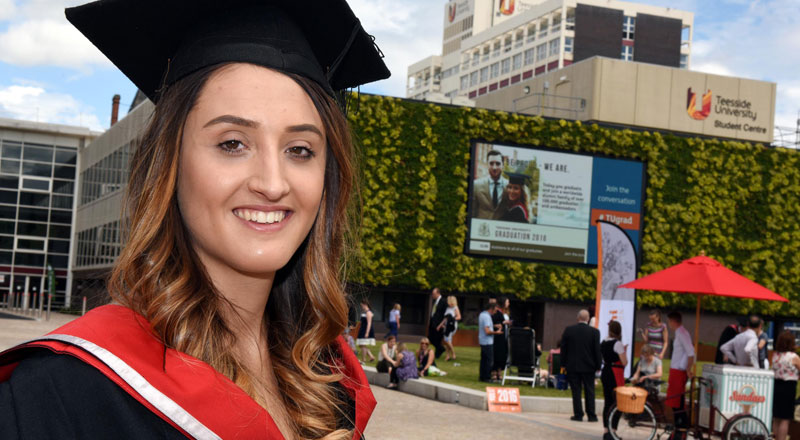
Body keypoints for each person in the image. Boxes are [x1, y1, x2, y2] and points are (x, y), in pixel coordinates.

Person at [0, 1, 390, 438]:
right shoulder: (61, 396)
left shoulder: (327, 377)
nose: (273, 183)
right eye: (232, 143)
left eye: (300, 149)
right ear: (169, 163)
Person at [560, 309, 602, 422]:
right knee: (590, 390)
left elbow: (563, 348)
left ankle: (578, 414)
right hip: (589, 366)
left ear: (578, 318)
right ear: (588, 319)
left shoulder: (569, 330)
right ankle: (591, 415)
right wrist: (598, 365)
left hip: (573, 366)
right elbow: (597, 351)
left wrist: (563, 364)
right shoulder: (595, 332)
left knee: (576, 391)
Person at [666, 311, 695, 438]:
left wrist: (688, 369)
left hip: (679, 371)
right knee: (675, 403)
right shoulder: (680, 333)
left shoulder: (682, 334)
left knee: (677, 403)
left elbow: (691, 353)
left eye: (669, 321)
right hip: (675, 371)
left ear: (673, 321)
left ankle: (681, 430)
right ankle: (679, 429)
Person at [771, 331, 800, 440]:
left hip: (776, 386)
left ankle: (775, 437)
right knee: (785, 418)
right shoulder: (793, 357)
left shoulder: (775, 355)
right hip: (789, 387)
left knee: (776, 417)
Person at [601, 321, 628, 439]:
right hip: (615, 373)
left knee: (607, 402)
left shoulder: (603, 342)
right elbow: (624, 362)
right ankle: (613, 430)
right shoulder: (617, 344)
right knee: (618, 403)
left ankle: (606, 430)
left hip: (605, 371)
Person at [471, 150, 507, 219]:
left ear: (503, 165)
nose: (494, 167)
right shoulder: (476, 185)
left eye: (498, 164)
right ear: (487, 164)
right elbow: (472, 212)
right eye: (491, 163)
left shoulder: (509, 186)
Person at [479, 299, 502, 382]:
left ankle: (482, 376)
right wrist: (496, 332)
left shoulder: (482, 314)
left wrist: (494, 326)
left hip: (483, 341)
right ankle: (486, 377)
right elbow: (487, 331)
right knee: (489, 360)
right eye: (495, 310)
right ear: (491, 308)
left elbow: (486, 326)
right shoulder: (486, 316)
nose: (495, 312)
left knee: (483, 360)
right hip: (487, 341)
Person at [492, 296, 512, 380]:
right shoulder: (496, 312)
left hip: (505, 335)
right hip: (498, 336)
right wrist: (503, 323)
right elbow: (494, 322)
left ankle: (500, 371)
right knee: (497, 353)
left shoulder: (506, 312)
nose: (508, 304)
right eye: (507, 302)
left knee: (503, 354)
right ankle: (494, 372)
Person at [438, 295, 461, 361]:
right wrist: (440, 325)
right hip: (446, 325)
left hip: (451, 326)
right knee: (448, 340)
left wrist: (452, 319)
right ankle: (447, 356)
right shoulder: (447, 308)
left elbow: (459, 316)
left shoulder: (455, 307)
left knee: (446, 340)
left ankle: (453, 353)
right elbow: (445, 318)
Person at [428, 287, 447, 359]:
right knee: (430, 338)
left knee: (437, 339)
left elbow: (445, 314)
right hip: (433, 323)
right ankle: (441, 349)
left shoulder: (443, 301)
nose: (432, 295)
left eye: (433, 294)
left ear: (438, 293)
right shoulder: (435, 301)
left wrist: (443, 324)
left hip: (439, 324)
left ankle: (438, 353)